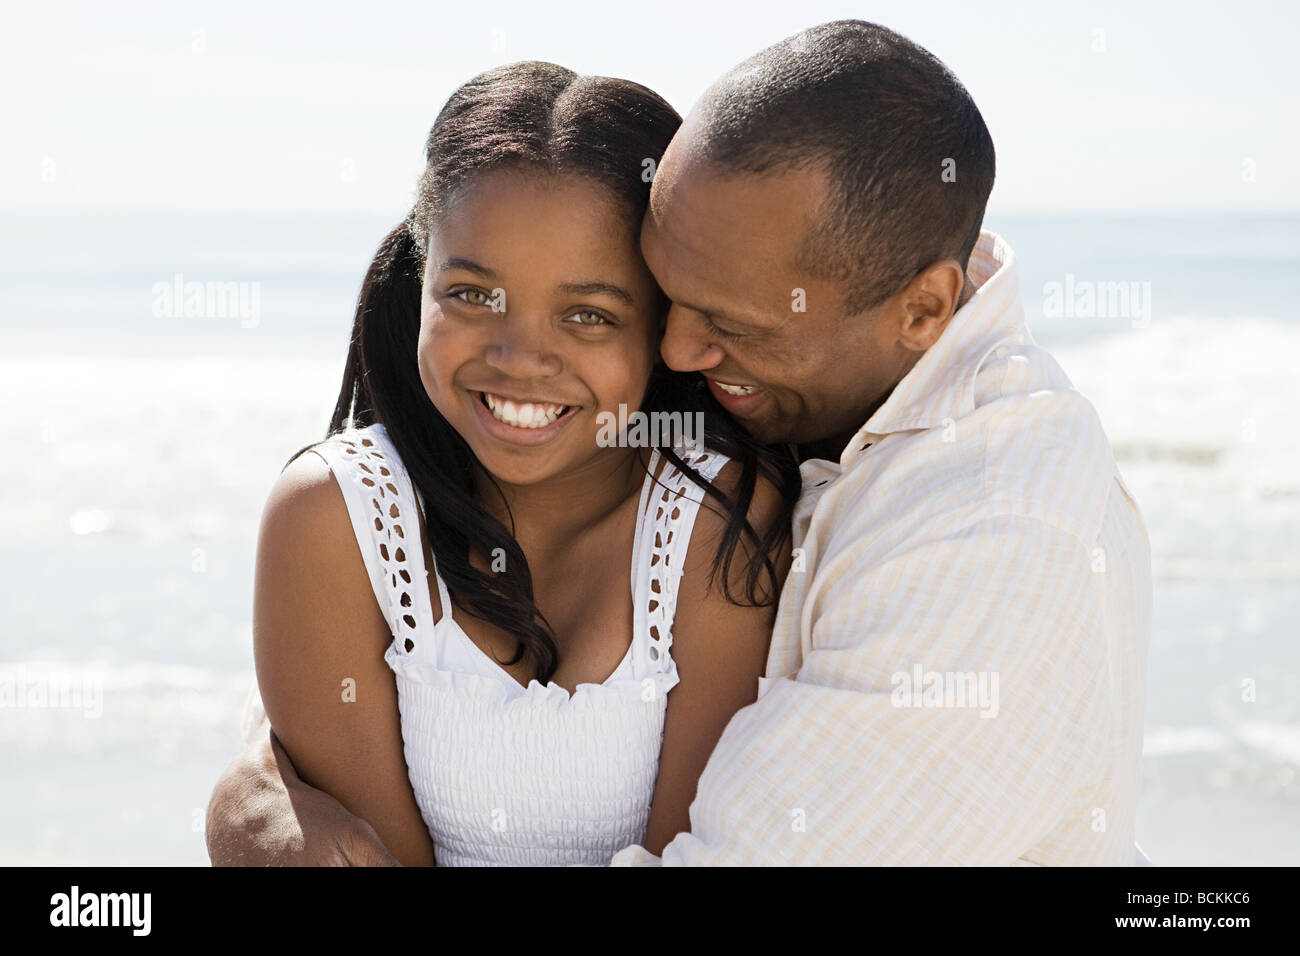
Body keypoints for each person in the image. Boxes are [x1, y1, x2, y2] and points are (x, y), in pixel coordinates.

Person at [209, 20, 1152, 867]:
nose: (680, 351)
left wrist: (246, 800)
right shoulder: (840, 397)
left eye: (596, 312)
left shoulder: (980, 531)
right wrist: (264, 775)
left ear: (923, 310)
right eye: (676, 297)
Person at [227, 59, 798, 866]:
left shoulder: (716, 513)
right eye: (471, 295)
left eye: (590, 315)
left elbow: (694, 854)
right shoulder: (333, 516)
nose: (522, 358)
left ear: (664, 330)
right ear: (420, 277)